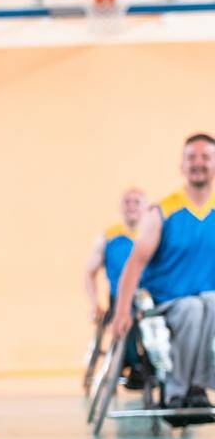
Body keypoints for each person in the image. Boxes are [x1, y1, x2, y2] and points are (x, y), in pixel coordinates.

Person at [108, 135, 215, 422]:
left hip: (207, 304)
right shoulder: (162, 212)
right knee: (195, 308)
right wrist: (121, 312)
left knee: (209, 304)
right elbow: (134, 263)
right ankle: (175, 391)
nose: (199, 164)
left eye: (206, 157)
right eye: (192, 157)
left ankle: (198, 387)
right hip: (166, 304)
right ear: (182, 165)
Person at [83, 187, 144, 385]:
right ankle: (134, 363)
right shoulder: (108, 237)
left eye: (137, 202)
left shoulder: (151, 235)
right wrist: (95, 303)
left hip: (148, 297)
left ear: (144, 207)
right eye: (127, 202)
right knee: (129, 308)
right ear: (121, 207)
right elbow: (89, 274)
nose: (132, 206)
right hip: (120, 299)